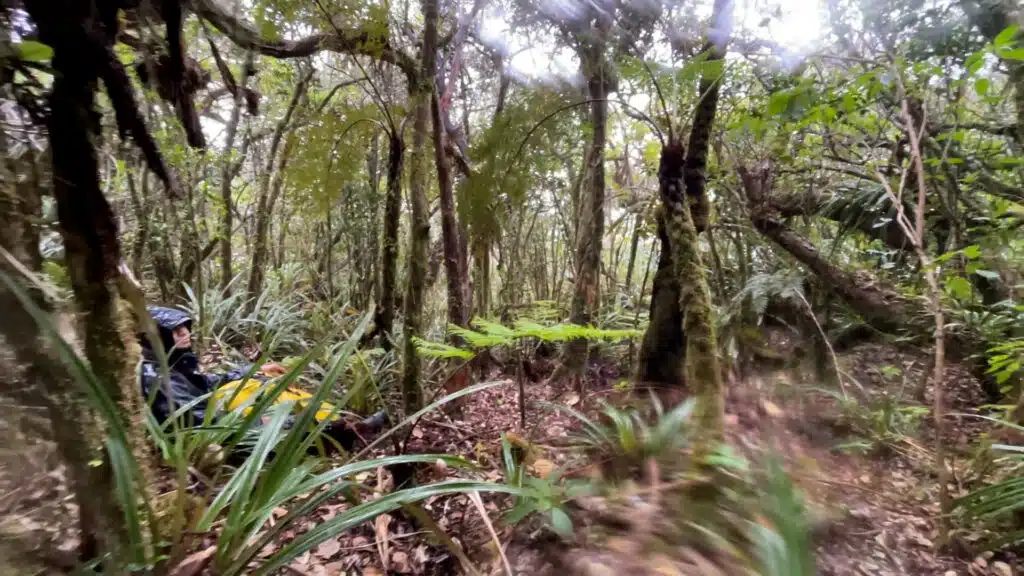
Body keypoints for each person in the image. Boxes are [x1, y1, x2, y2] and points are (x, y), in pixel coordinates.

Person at [138, 305, 387, 452]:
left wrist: (252, 370)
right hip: (210, 439)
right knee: (289, 422)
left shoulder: (172, 363)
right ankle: (348, 434)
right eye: (175, 330)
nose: (185, 334)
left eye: (185, 327)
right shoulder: (156, 377)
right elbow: (198, 421)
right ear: (156, 336)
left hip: (213, 422)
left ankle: (340, 423)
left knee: (272, 392)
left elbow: (207, 383)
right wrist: (259, 421)